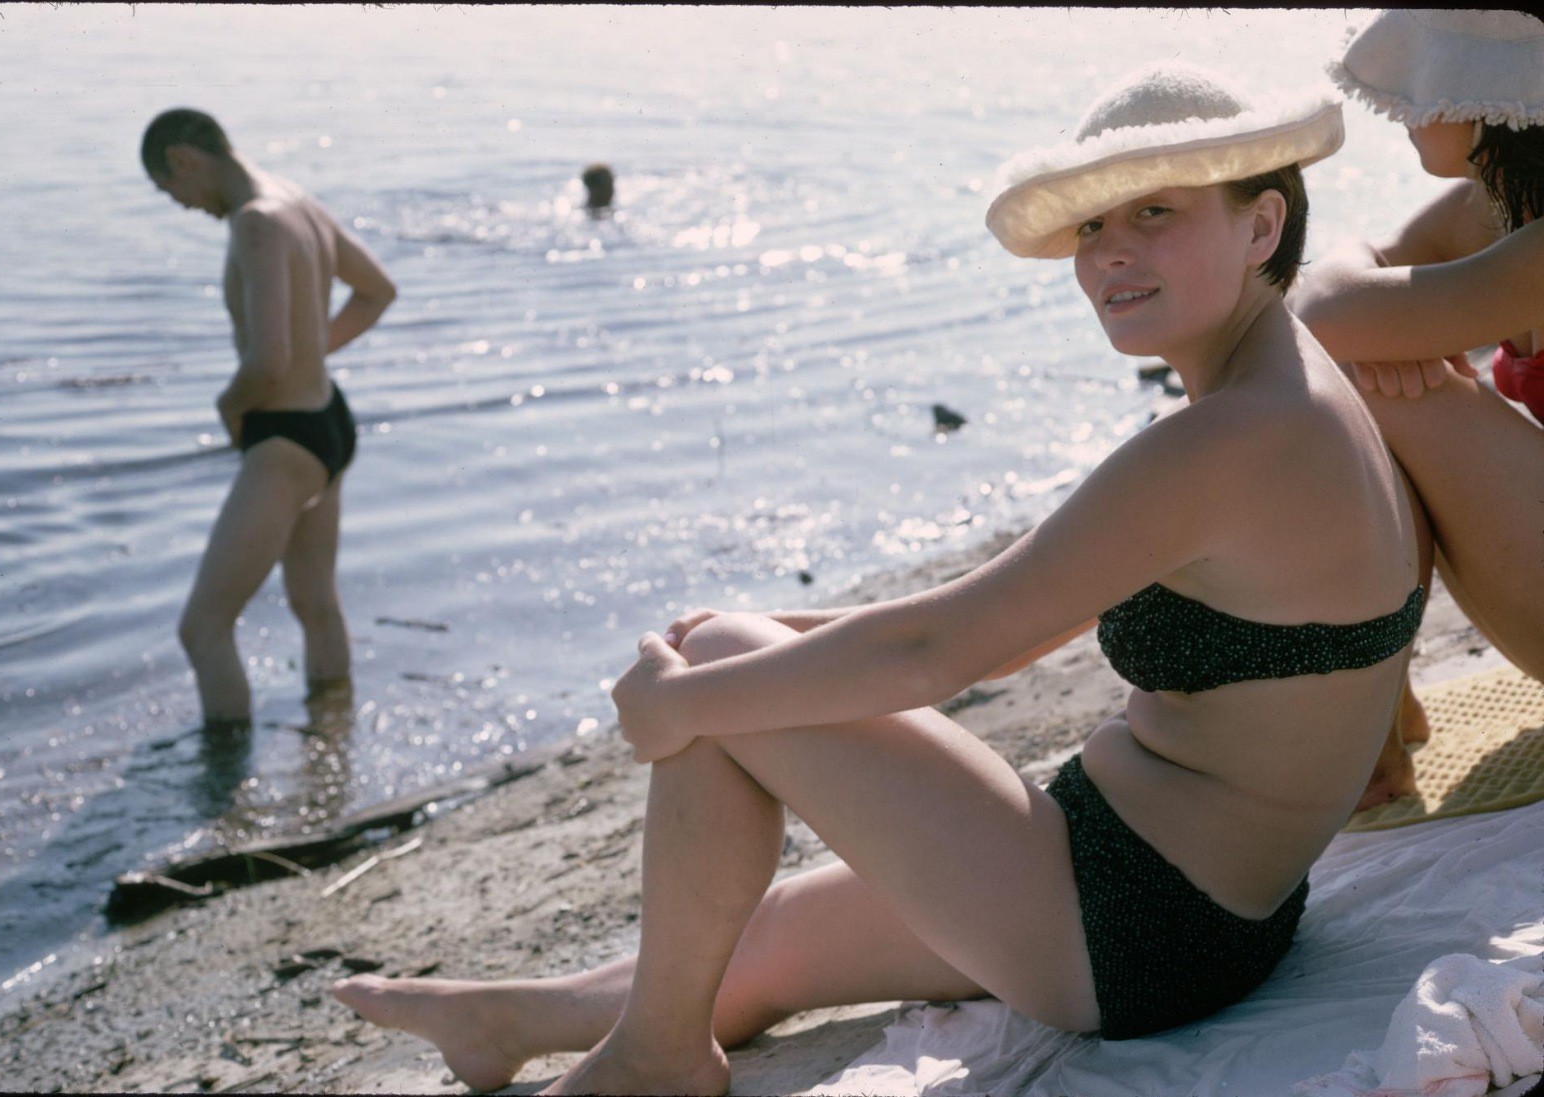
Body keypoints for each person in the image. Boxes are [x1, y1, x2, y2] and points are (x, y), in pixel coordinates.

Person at [333, 64, 1423, 1095]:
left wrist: (683, 698)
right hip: (1205, 905)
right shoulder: (1290, 384)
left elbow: (942, 653)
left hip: (1132, 923)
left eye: (1155, 213)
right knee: (748, 938)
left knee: (719, 671)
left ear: (1262, 223)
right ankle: (514, 1018)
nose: (1109, 254)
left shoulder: (1230, 438)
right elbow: (1022, 602)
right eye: (1093, 223)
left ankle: (660, 1055)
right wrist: (786, 626)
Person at [1293, 10, 1544, 808]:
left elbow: (1326, 309)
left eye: (1426, 83)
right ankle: (1374, 710)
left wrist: (1391, 339)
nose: (1401, 105)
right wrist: (1393, 332)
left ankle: (1366, 720)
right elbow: (1340, 291)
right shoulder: (1497, 207)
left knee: (1362, 385)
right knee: (1366, 372)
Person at [140, 108, 397, 729]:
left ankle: (226, 797)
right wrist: (316, 348)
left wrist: (227, 407)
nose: (179, 204)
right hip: (329, 423)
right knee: (315, 604)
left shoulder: (254, 223)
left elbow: (269, 360)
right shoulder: (296, 202)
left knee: (203, 628)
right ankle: (332, 754)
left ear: (182, 159)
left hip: (284, 441)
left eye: (167, 188)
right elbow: (377, 291)